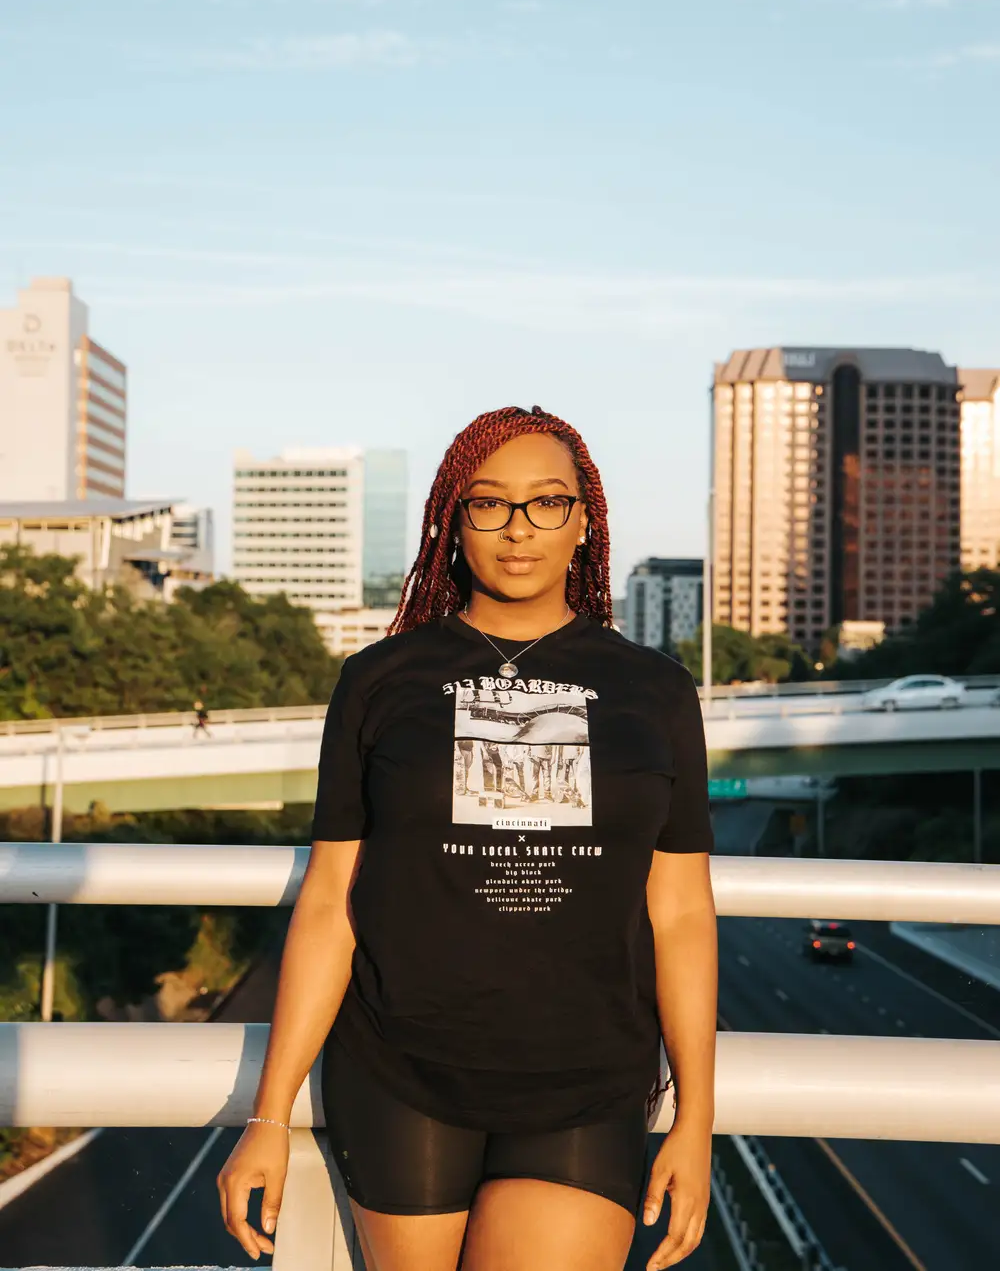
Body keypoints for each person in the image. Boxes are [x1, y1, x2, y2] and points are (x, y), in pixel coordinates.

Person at [217, 405, 717, 1271]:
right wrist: (268, 1116)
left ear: (585, 521)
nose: (518, 530)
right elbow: (334, 901)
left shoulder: (657, 692)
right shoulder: (378, 681)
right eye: (488, 504)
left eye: (547, 503)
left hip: (586, 1084)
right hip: (399, 1076)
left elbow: (679, 914)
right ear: (453, 522)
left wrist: (698, 1122)